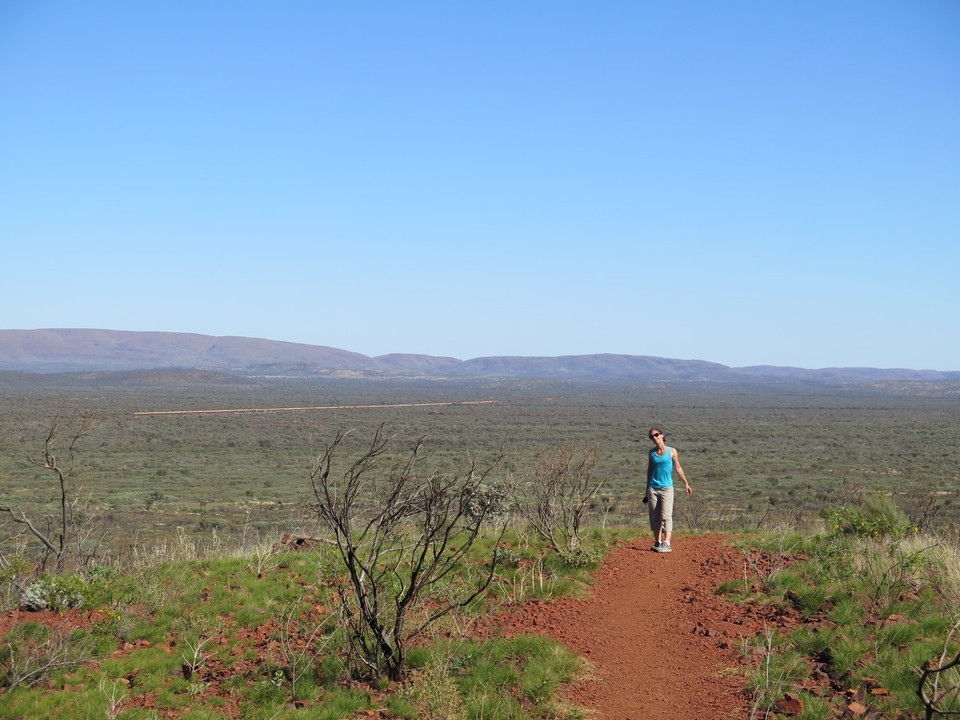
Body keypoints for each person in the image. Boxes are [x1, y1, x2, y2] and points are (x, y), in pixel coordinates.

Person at [644, 427, 692, 553]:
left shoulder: (672, 451)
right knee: (654, 515)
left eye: (656, 435)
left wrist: (686, 483)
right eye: (652, 437)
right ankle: (658, 541)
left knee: (666, 515)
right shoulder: (651, 453)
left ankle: (667, 542)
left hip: (667, 488)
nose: (654, 438)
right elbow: (649, 471)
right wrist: (647, 488)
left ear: (662, 435)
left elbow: (678, 468)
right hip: (653, 488)